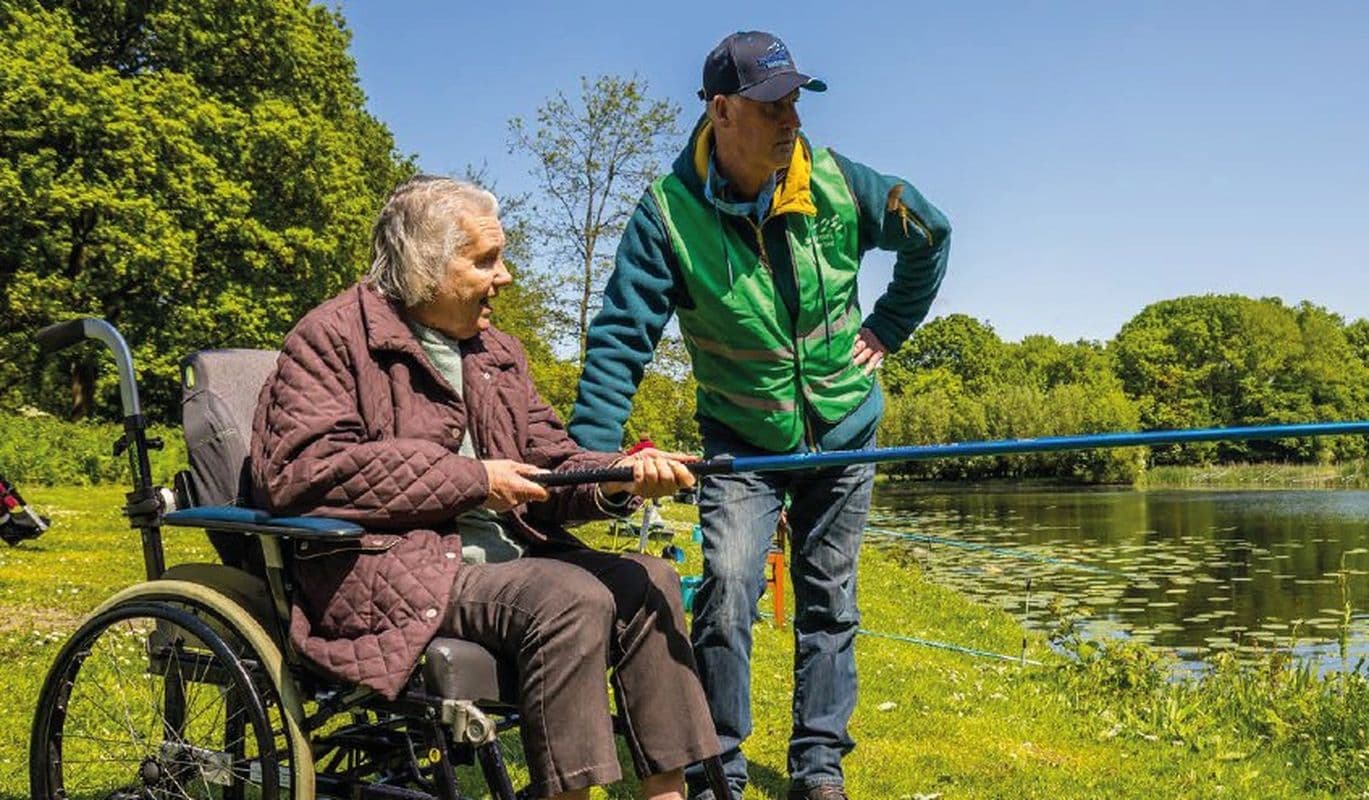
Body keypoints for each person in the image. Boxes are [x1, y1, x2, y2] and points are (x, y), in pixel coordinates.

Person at [568, 31, 951, 800]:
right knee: (728, 590)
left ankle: (818, 766)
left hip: (844, 430)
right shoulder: (667, 216)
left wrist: (888, 326)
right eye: (772, 105)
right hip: (739, 440)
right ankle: (721, 769)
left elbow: (931, 233)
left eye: (796, 103)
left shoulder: (839, 182)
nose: (791, 121)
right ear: (721, 109)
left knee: (829, 599)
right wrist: (587, 460)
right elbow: (619, 339)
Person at [250, 175, 720, 800]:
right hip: (393, 565)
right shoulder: (331, 339)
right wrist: (472, 481)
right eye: (485, 261)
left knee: (650, 580)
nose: (504, 277)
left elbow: (552, 459)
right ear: (426, 265)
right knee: (568, 596)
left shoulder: (495, 351)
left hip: (508, 561)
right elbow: (303, 471)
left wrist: (619, 477)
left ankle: (668, 793)